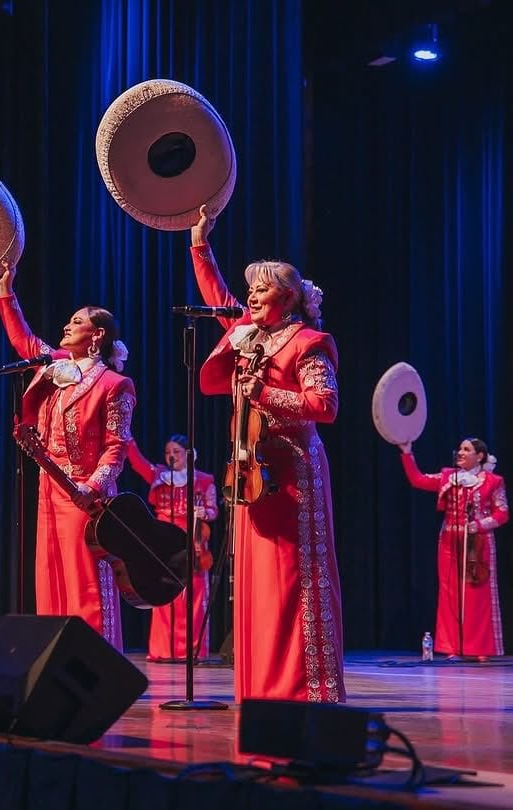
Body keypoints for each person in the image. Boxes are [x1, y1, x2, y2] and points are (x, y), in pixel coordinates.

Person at [190, 204, 345, 703]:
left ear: (291, 297)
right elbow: (217, 297)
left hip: (293, 476)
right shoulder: (247, 335)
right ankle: (260, 684)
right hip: (250, 472)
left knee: (292, 577)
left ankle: (303, 688)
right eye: (251, 287)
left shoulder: (310, 342)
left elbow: (325, 406)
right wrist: (199, 243)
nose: (253, 294)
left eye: (264, 286)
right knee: (257, 580)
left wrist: (266, 395)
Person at [0, 262, 134, 650]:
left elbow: (117, 447)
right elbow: (23, 340)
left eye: (77, 322)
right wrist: (7, 290)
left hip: (85, 494)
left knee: (85, 575)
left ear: (98, 335)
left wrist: (92, 487)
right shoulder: (56, 367)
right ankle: (55, 656)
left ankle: (98, 657)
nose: (66, 327)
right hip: (49, 488)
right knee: (50, 571)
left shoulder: (114, 383)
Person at [398, 437, 508, 660]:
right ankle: (452, 648)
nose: (460, 452)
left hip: (478, 543)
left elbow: (503, 513)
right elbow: (418, 480)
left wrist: (478, 525)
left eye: (466, 449)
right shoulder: (449, 477)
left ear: (480, 456)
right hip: (449, 540)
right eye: (459, 448)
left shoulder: (493, 481)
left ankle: (480, 649)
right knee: (450, 594)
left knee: (478, 594)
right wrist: (407, 453)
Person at [126, 434, 218, 661]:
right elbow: (137, 462)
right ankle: (163, 651)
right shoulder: (160, 476)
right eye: (168, 452)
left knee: (194, 598)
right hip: (164, 541)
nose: (171, 456)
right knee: (163, 595)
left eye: (176, 452)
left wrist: (202, 513)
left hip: (192, 541)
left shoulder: (203, 480)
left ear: (189, 455)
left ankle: (192, 651)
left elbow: (213, 510)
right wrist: (126, 439)